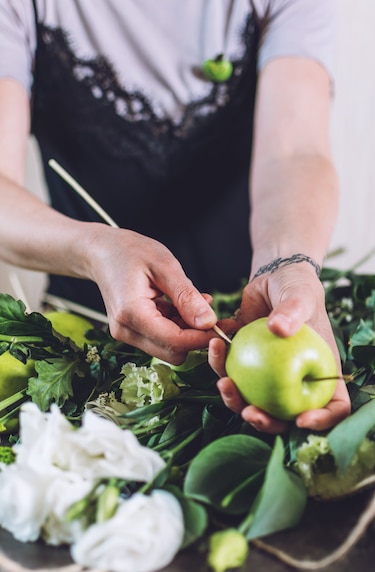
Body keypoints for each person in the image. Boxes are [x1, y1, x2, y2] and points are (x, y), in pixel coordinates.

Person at [0, 0, 351, 433]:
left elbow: (296, 152)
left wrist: (287, 265)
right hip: (84, 339)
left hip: (253, 314)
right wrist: (94, 249)